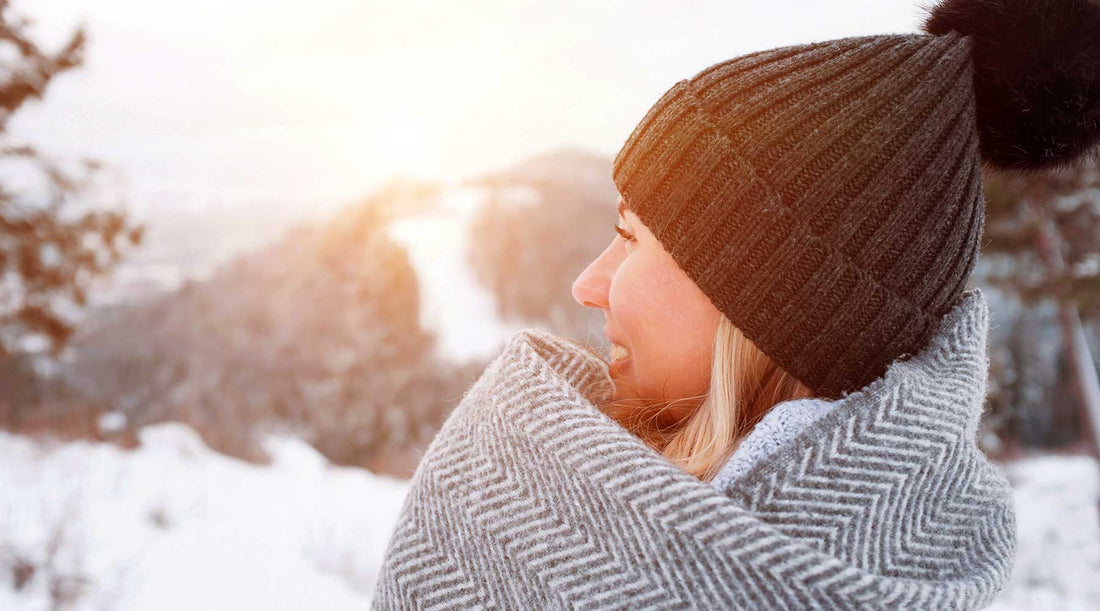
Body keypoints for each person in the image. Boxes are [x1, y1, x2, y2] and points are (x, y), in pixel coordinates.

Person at [373, 0, 1100, 608]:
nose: (588, 284)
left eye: (630, 239)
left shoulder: (516, 497)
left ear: (754, 307)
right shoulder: (504, 486)